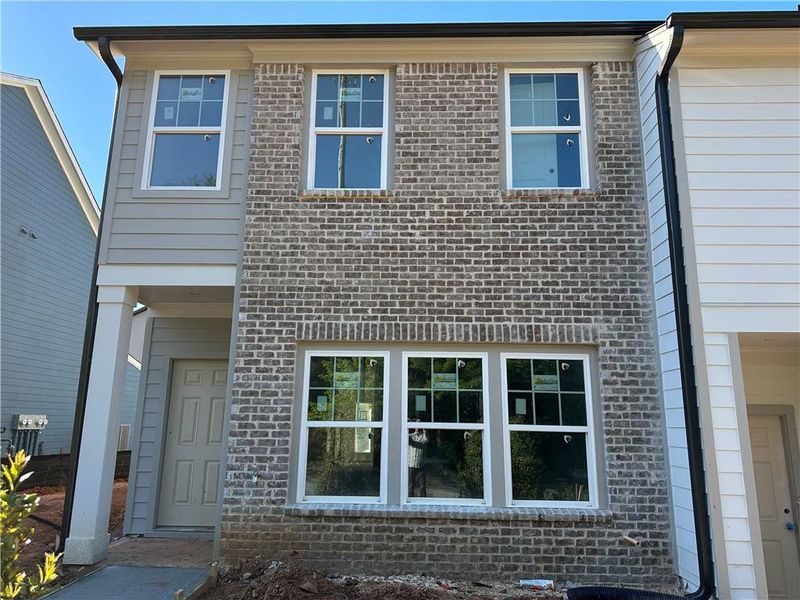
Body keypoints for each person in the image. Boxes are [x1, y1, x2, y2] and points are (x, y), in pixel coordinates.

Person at [408, 422, 428, 497]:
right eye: (416, 425)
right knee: (410, 486)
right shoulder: (410, 436)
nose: (418, 427)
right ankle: (410, 501)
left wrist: (424, 428)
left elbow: (426, 440)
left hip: (421, 465)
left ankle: (423, 502)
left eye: (419, 425)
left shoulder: (424, 437)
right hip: (411, 464)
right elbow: (405, 437)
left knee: (422, 486)